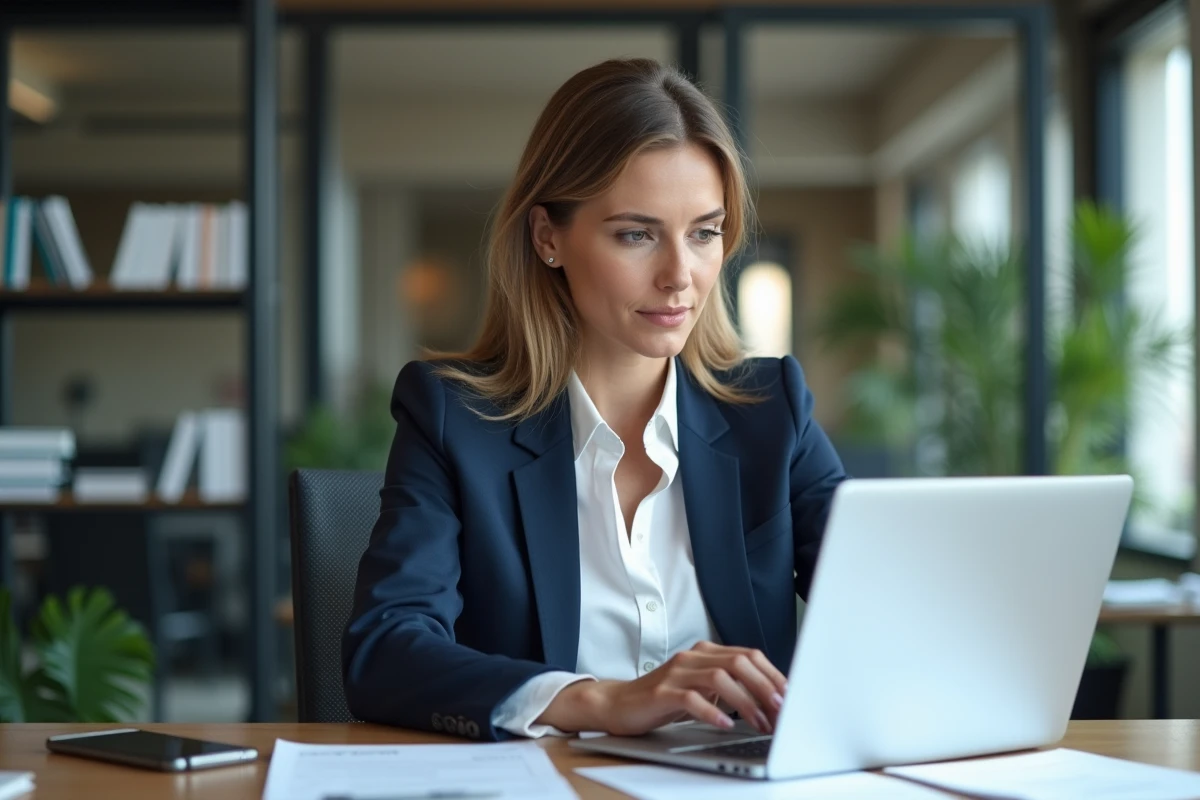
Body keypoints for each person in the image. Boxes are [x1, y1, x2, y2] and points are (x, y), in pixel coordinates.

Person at [343, 58, 847, 742]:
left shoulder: (770, 411)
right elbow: (384, 651)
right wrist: (602, 702)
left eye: (704, 232)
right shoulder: (453, 419)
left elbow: (883, 608)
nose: (679, 276)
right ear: (549, 236)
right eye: (636, 234)